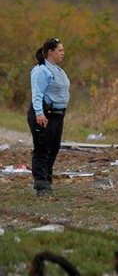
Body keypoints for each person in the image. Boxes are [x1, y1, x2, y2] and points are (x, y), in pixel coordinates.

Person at [27, 37, 70, 197]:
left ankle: (47, 180)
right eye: (60, 50)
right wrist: (39, 113)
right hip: (45, 114)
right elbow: (37, 94)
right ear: (50, 52)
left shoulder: (58, 70)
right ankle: (41, 185)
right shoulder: (41, 70)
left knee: (54, 148)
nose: (62, 53)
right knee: (42, 149)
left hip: (58, 115)